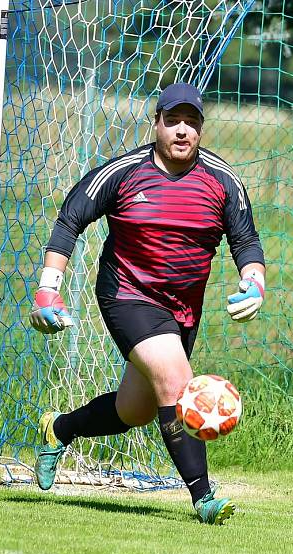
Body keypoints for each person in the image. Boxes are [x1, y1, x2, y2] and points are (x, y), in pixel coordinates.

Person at [29, 83, 265, 524]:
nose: (181, 131)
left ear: (200, 129)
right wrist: (48, 286)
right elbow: (69, 221)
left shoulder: (222, 180)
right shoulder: (123, 172)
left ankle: (59, 428)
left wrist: (254, 281)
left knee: (133, 410)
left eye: (191, 123)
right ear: (155, 123)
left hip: (182, 309)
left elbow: (246, 240)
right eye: (172, 121)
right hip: (127, 295)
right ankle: (204, 498)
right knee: (177, 384)